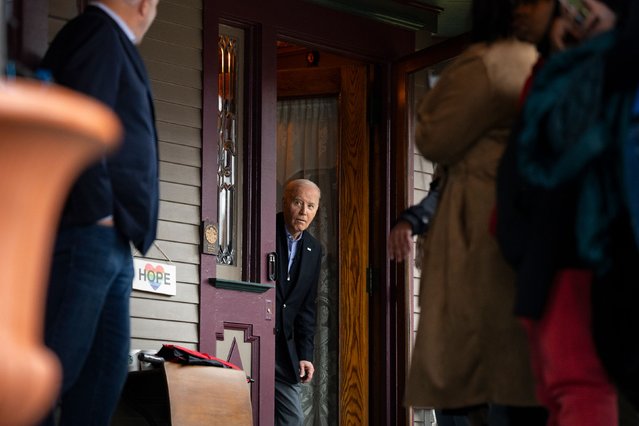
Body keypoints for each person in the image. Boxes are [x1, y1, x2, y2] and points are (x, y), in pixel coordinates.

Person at [403, 0, 545, 424]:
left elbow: (432, 136)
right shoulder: (541, 62)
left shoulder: (489, 63)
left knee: (471, 360)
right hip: (521, 223)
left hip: (480, 223)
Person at [496, 0, 633, 424]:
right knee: (558, 388)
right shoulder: (562, 68)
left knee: (578, 387)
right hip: (547, 252)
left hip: (579, 249)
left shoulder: (612, 65)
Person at [39, 0, 159, 424]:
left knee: (103, 379)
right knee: (50, 373)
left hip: (111, 242)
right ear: (142, 4)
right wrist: (99, 212)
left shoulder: (108, 40)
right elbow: (75, 124)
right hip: (88, 234)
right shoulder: (97, 34)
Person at [275, 179, 323, 426]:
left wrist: (305, 355)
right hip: (251, 341)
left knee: (292, 420)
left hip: (286, 352)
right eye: (298, 202)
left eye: (311, 206)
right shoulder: (263, 228)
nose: (304, 211)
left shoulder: (314, 249)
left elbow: (306, 308)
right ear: (285, 202)